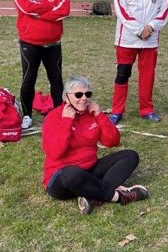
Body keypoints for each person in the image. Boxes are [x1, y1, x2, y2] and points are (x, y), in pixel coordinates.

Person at [42, 76, 149, 214]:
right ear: (66, 97)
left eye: (87, 94)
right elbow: (55, 152)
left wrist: (100, 115)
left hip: (90, 170)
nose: (84, 98)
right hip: (62, 178)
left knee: (130, 156)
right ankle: (119, 197)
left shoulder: (91, 113)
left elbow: (112, 141)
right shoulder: (54, 117)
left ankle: (92, 196)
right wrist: (66, 121)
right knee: (72, 173)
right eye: (78, 95)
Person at [109, 0, 168, 125]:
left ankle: (147, 110)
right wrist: (139, 29)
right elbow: (121, 9)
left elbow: (164, 10)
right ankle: (117, 111)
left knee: (147, 75)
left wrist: (151, 27)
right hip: (127, 39)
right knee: (123, 74)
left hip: (150, 39)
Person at [14, 0, 71, 129]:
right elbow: (27, 8)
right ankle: (27, 116)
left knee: (56, 80)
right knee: (28, 80)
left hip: (53, 44)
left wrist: (39, 12)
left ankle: (58, 114)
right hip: (30, 43)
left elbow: (64, 11)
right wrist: (50, 8)